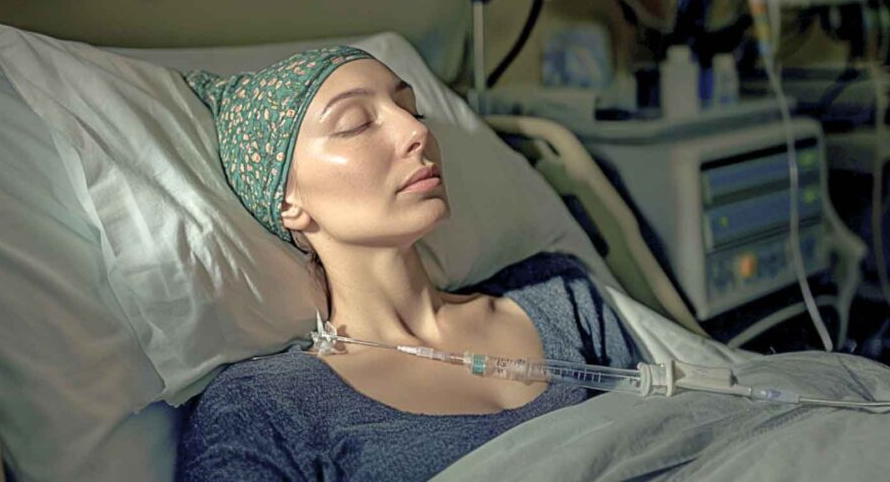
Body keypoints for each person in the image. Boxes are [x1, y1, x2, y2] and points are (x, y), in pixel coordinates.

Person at [177, 47, 640, 481]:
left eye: (413, 110)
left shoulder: (559, 298)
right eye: (357, 123)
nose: (416, 132)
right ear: (289, 202)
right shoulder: (264, 407)